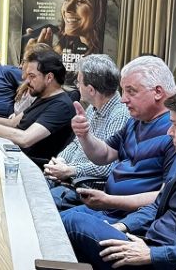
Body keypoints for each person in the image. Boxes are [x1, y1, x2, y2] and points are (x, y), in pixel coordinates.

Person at [63, 86, 176, 270]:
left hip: (167, 259)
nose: (169, 132)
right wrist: (123, 225)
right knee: (71, 230)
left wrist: (153, 255)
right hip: (146, 242)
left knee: (73, 222)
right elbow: (158, 205)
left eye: (175, 125)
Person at [65, 55, 176, 216]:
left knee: (64, 220)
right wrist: (84, 135)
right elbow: (104, 155)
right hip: (109, 208)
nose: (123, 99)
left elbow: (166, 196)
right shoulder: (135, 120)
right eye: (123, 91)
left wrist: (110, 201)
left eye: (131, 91)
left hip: (131, 217)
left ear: (158, 92)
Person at [44, 54, 130, 210]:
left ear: (91, 90)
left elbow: (107, 166)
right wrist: (60, 161)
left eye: (79, 82)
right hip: (69, 179)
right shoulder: (93, 107)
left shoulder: (120, 115)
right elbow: (76, 143)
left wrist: (70, 170)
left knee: (39, 204)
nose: (77, 86)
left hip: (85, 190)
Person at [0, 50, 74, 164]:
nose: (27, 81)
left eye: (32, 76)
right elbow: (13, 123)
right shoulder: (42, 97)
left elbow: (25, 139)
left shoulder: (61, 106)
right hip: (15, 156)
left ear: (49, 77)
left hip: (31, 165)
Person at [27, 0, 107, 57]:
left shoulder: (107, 52)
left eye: (81, 1)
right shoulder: (65, 44)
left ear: (100, 8)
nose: (67, 8)